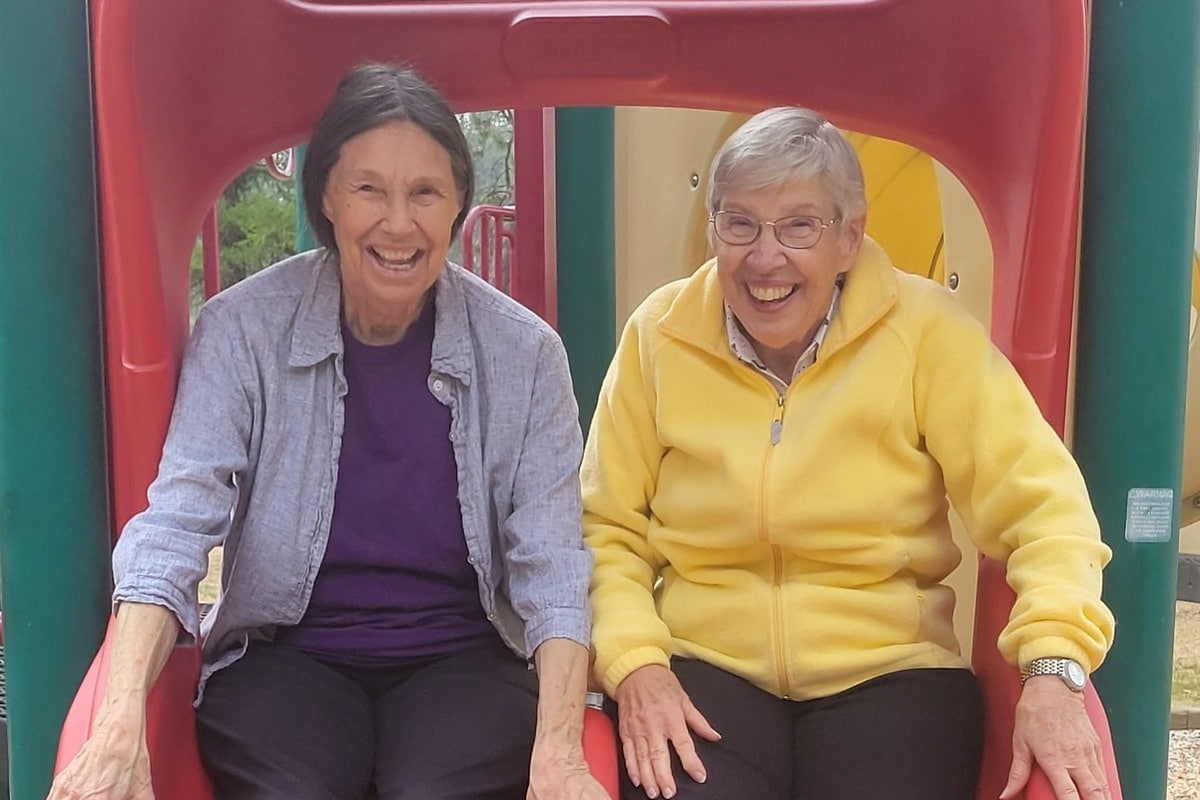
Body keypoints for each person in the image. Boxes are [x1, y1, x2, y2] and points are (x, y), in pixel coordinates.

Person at [50, 63, 608, 800]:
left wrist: (561, 749)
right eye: (369, 189)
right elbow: (176, 524)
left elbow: (552, 561)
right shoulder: (243, 331)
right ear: (326, 198)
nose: (398, 223)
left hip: (463, 655)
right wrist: (118, 723)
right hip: (290, 653)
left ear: (457, 206)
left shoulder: (525, 354)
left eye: (425, 193)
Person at [581, 107, 1116, 800]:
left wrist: (1053, 666)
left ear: (849, 237)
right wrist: (634, 663)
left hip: (888, 669)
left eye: (799, 226)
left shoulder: (925, 332)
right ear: (712, 230)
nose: (765, 258)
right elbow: (606, 527)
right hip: (703, 665)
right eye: (740, 224)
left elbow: (1045, 511)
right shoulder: (659, 335)